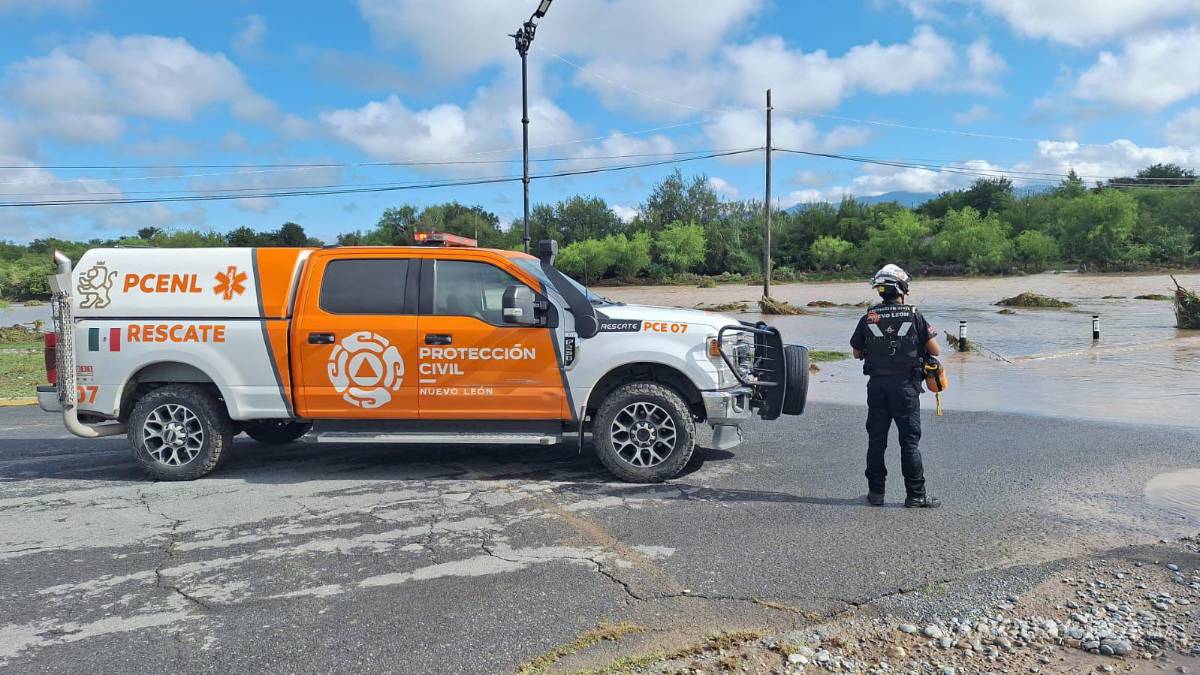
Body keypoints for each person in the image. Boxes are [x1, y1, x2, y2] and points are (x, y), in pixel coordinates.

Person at [849, 264, 942, 509]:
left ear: (881, 291)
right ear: (902, 288)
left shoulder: (869, 316)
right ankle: (916, 495)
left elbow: (857, 351)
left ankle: (876, 494)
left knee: (876, 440)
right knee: (909, 443)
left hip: (877, 387)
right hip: (906, 387)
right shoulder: (914, 314)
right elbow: (935, 350)